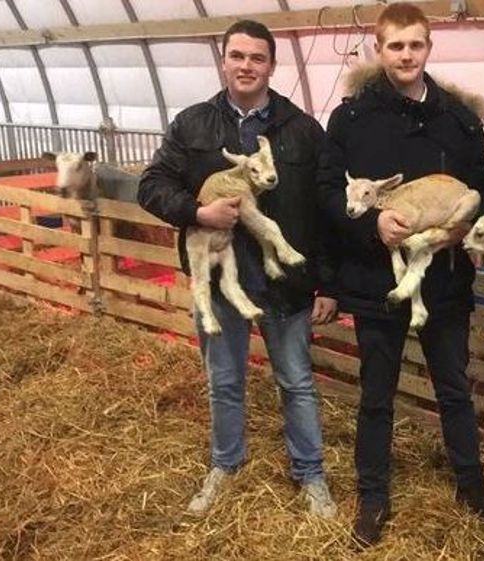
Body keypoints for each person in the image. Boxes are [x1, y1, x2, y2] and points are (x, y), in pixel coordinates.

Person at [316, 2, 484, 548]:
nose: (406, 55)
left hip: (445, 281)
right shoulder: (351, 119)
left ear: (429, 47)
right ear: (379, 50)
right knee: (376, 392)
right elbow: (328, 195)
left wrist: (463, 226)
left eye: (416, 45)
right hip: (377, 281)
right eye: (395, 46)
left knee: (453, 387)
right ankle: (373, 495)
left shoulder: (458, 118)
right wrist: (371, 227)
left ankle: (472, 488)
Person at [137, 19, 338, 519]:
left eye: (257, 57)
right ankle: (225, 466)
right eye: (237, 56)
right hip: (222, 280)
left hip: (284, 284)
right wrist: (195, 212)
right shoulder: (192, 125)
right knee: (224, 381)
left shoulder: (301, 130)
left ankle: (310, 474)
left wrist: (327, 283)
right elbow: (152, 184)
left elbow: (325, 209)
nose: (246, 65)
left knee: (296, 382)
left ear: (272, 65)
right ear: (223, 61)